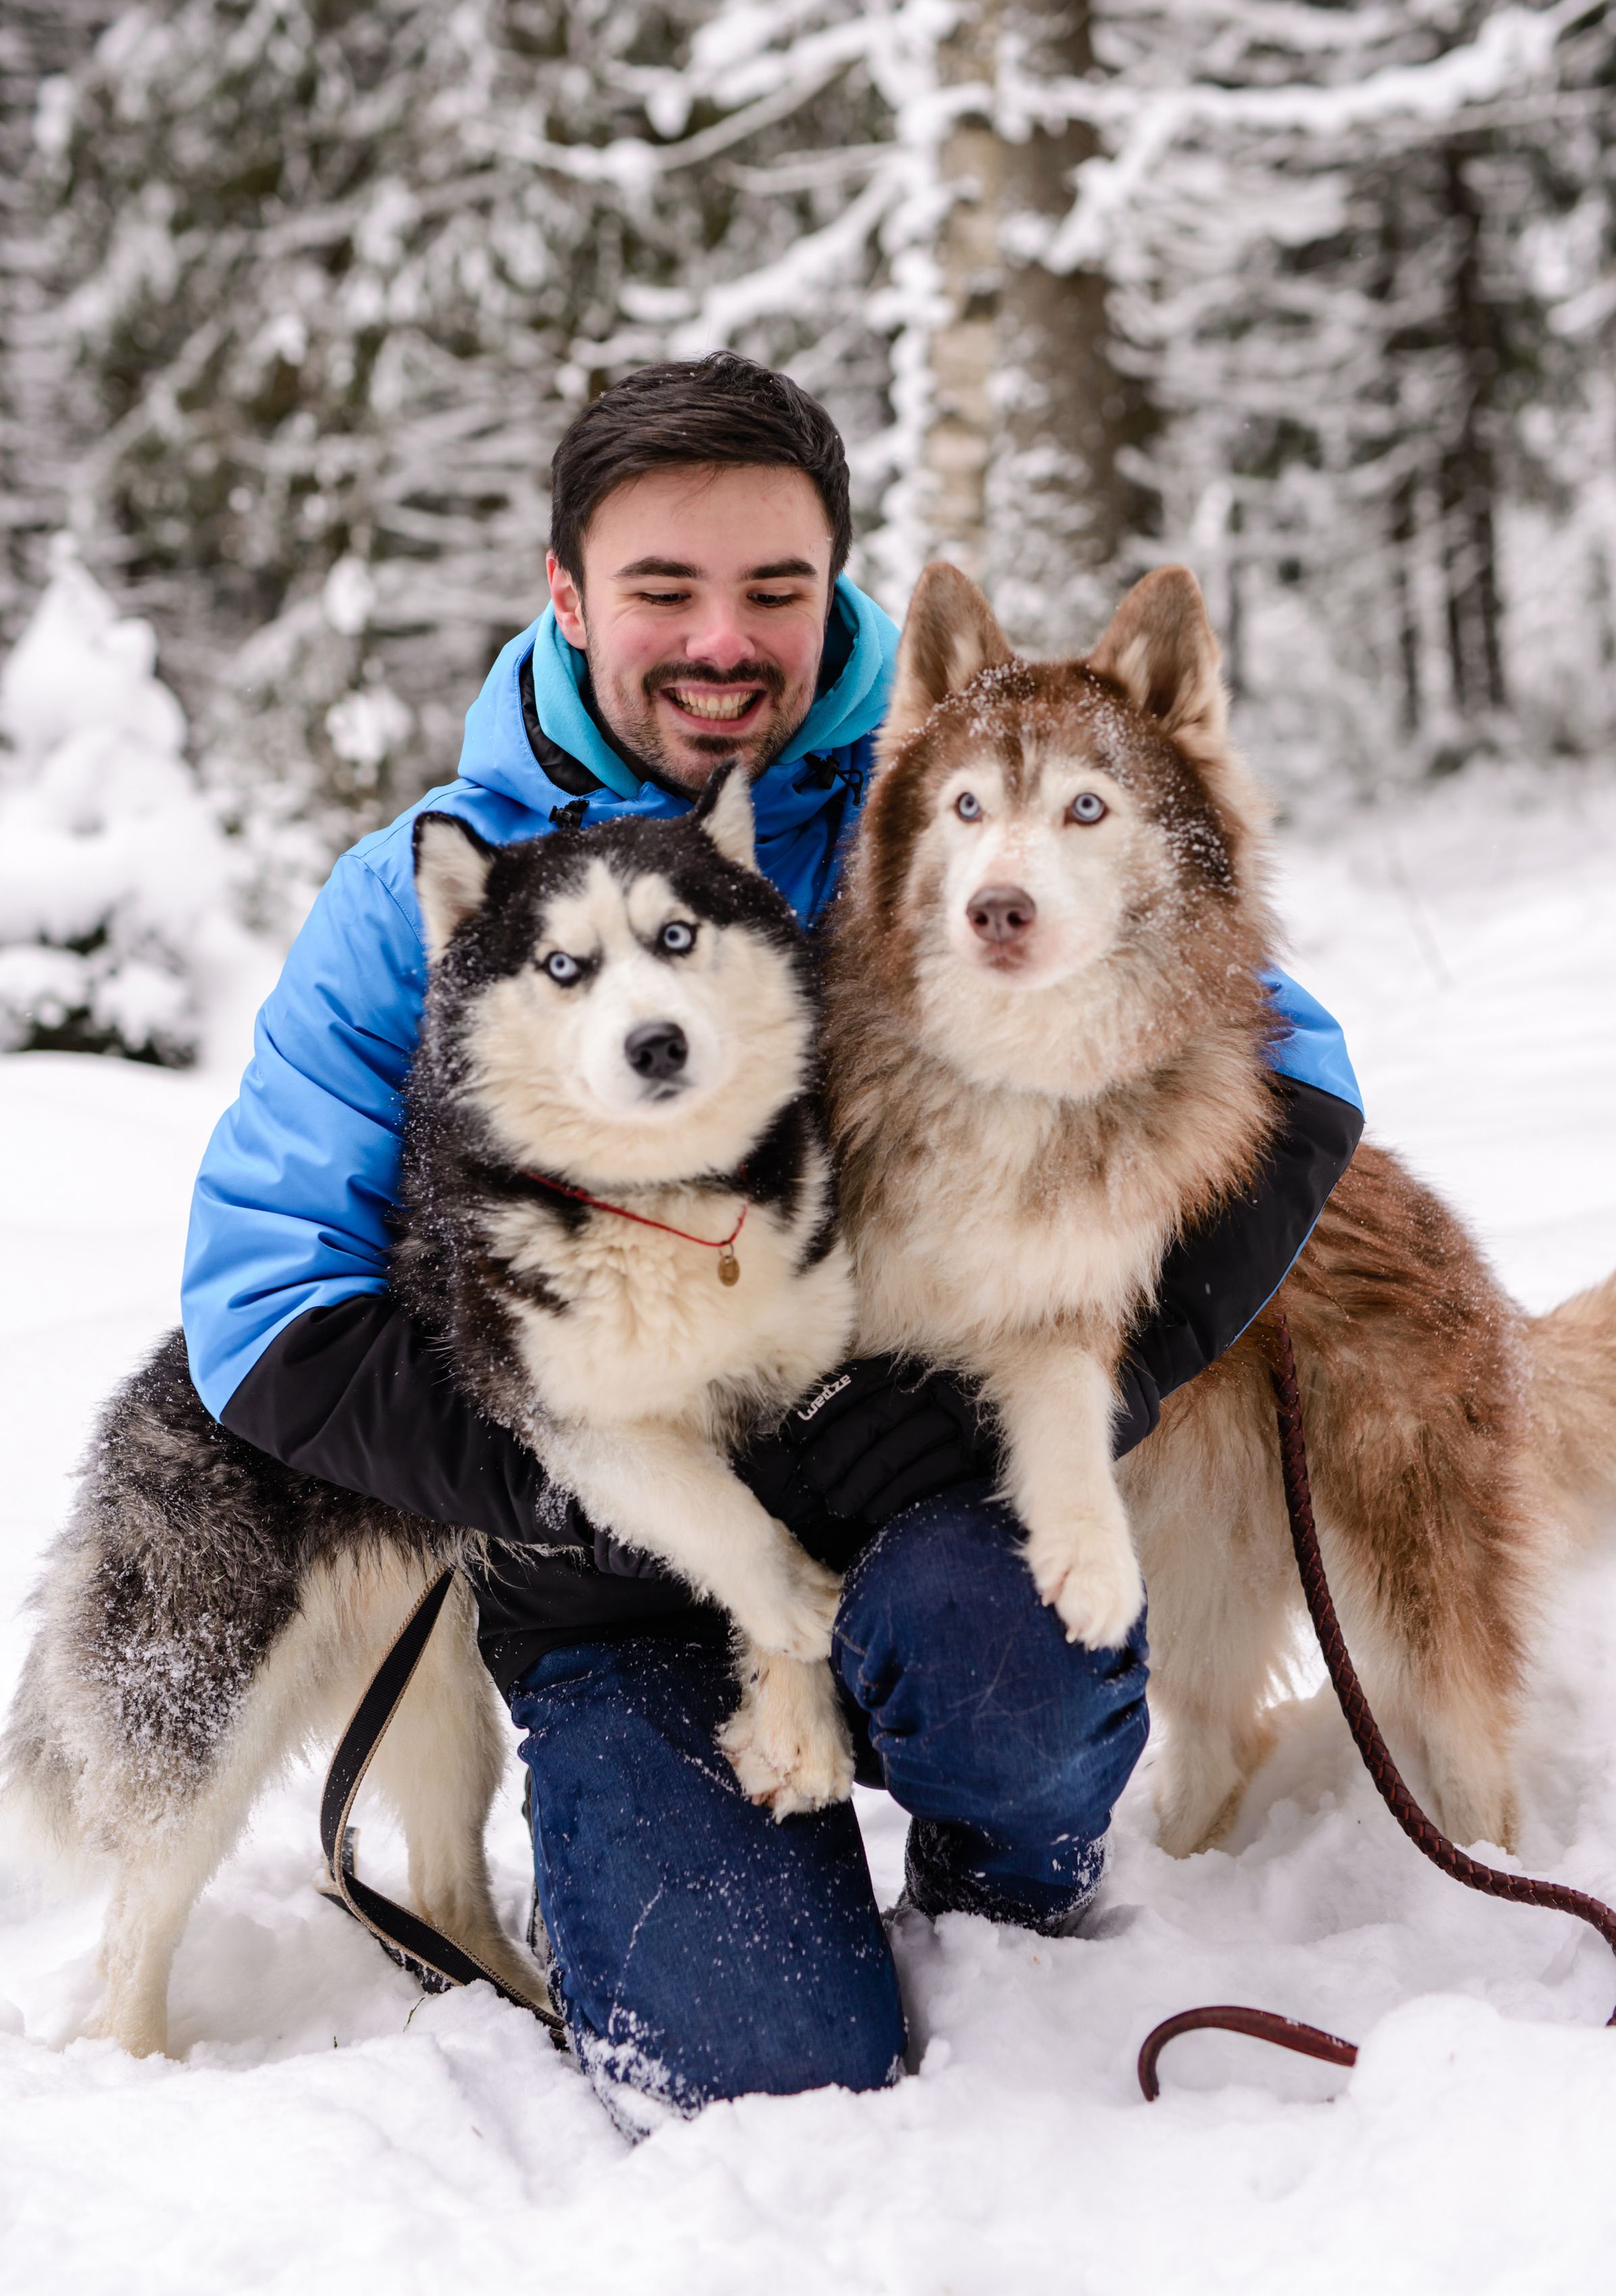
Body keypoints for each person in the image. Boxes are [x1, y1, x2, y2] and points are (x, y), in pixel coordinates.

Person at [182, 354, 1363, 2120]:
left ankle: (1011, 1893)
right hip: (623, 1589)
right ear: (568, 595)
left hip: (925, 1516)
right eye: (664, 590)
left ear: (837, 588)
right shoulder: (427, 890)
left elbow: (1293, 1069)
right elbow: (263, 1304)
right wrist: (579, 1474)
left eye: (775, 590)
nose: (724, 640)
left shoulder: (937, 802)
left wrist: (1083, 1386)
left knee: (1012, 1650)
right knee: (766, 2077)